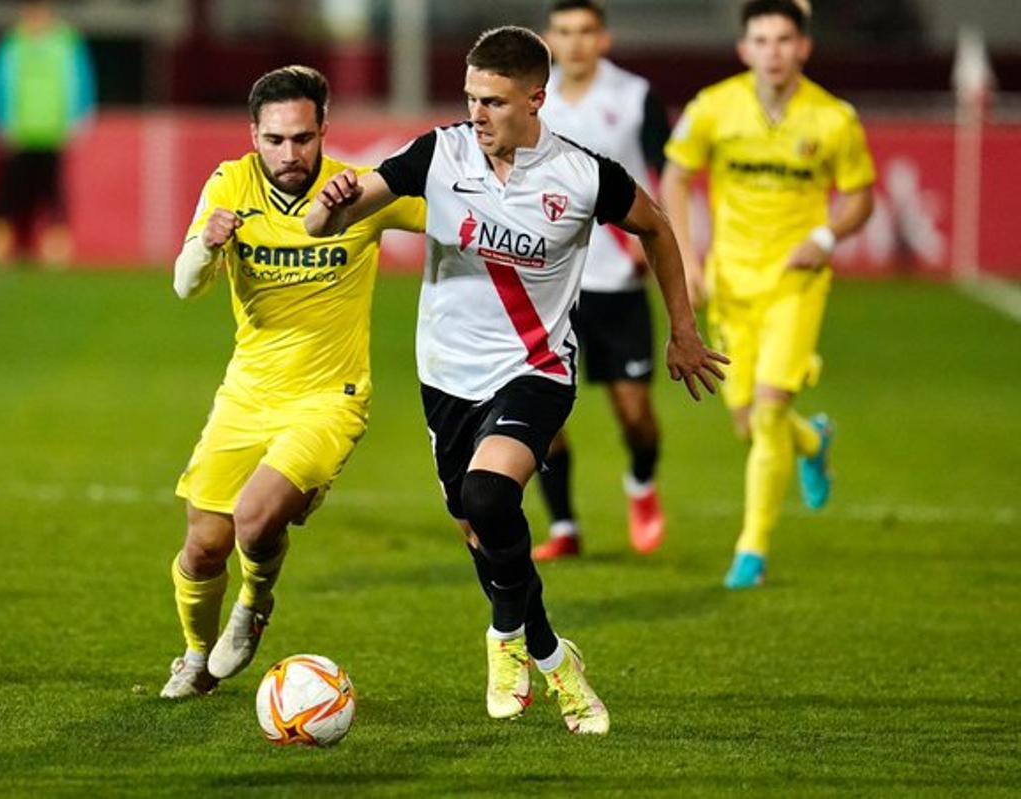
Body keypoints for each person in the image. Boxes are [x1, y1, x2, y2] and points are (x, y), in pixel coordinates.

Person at [306, 26, 726, 734]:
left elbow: (657, 227)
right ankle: (553, 656)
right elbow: (330, 220)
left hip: (536, 369)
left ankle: (504, 637)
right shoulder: (439, 155)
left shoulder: (582, 175)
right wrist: (331, 201)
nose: (477, 114)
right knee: (482, 532)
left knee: (488, 493)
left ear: (535, 99)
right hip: (447, 378)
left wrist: (682, 329)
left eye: (494, 101)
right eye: (471, 98)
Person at [160, 65, 426, 699]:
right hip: (248, 394)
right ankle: (195, 658)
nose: (289, 154)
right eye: (275, 139)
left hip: (330, 398)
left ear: (323, 130)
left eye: (302, 138)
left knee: (254, 520)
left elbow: (455, 208)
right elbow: (186, 285)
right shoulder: (229, 185)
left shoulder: (357, 192)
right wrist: (207, 244)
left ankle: (255, 603)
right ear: (254, 135)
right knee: (204, 545)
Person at [661, 0, 875, 590]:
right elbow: (675, 175)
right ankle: (812, 440)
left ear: (803, 47)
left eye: (784, 40)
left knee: (769, 409)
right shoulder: (713, 108)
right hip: (732, 282)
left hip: (795, 284)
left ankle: (750, 550)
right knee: (747, 423)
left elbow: (861, 196)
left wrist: (826, 237)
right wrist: (688, 259)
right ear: (744, 49)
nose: (773, 52)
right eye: (761, 40)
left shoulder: (833, 119)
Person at [532, 0, 673, 561]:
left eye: (586, 31)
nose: (575, 42)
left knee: (635, 415)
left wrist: (655, 235)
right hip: (547, 282)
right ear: (549, 38)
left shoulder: (634, 97)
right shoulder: (530, 98)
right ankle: (564, 527)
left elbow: (668, 174)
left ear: (603, 39)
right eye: (564, 31)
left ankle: (641, 481)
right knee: (537, 410)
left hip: (618, 281)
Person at [0, 0, 95, 266]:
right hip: (20, 131)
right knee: (9, 191)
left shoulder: (66, 43)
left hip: (53, 130)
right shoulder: (13, 43)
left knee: (53, 193)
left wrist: (80, 119)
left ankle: (56, 247)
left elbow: (81, 81)